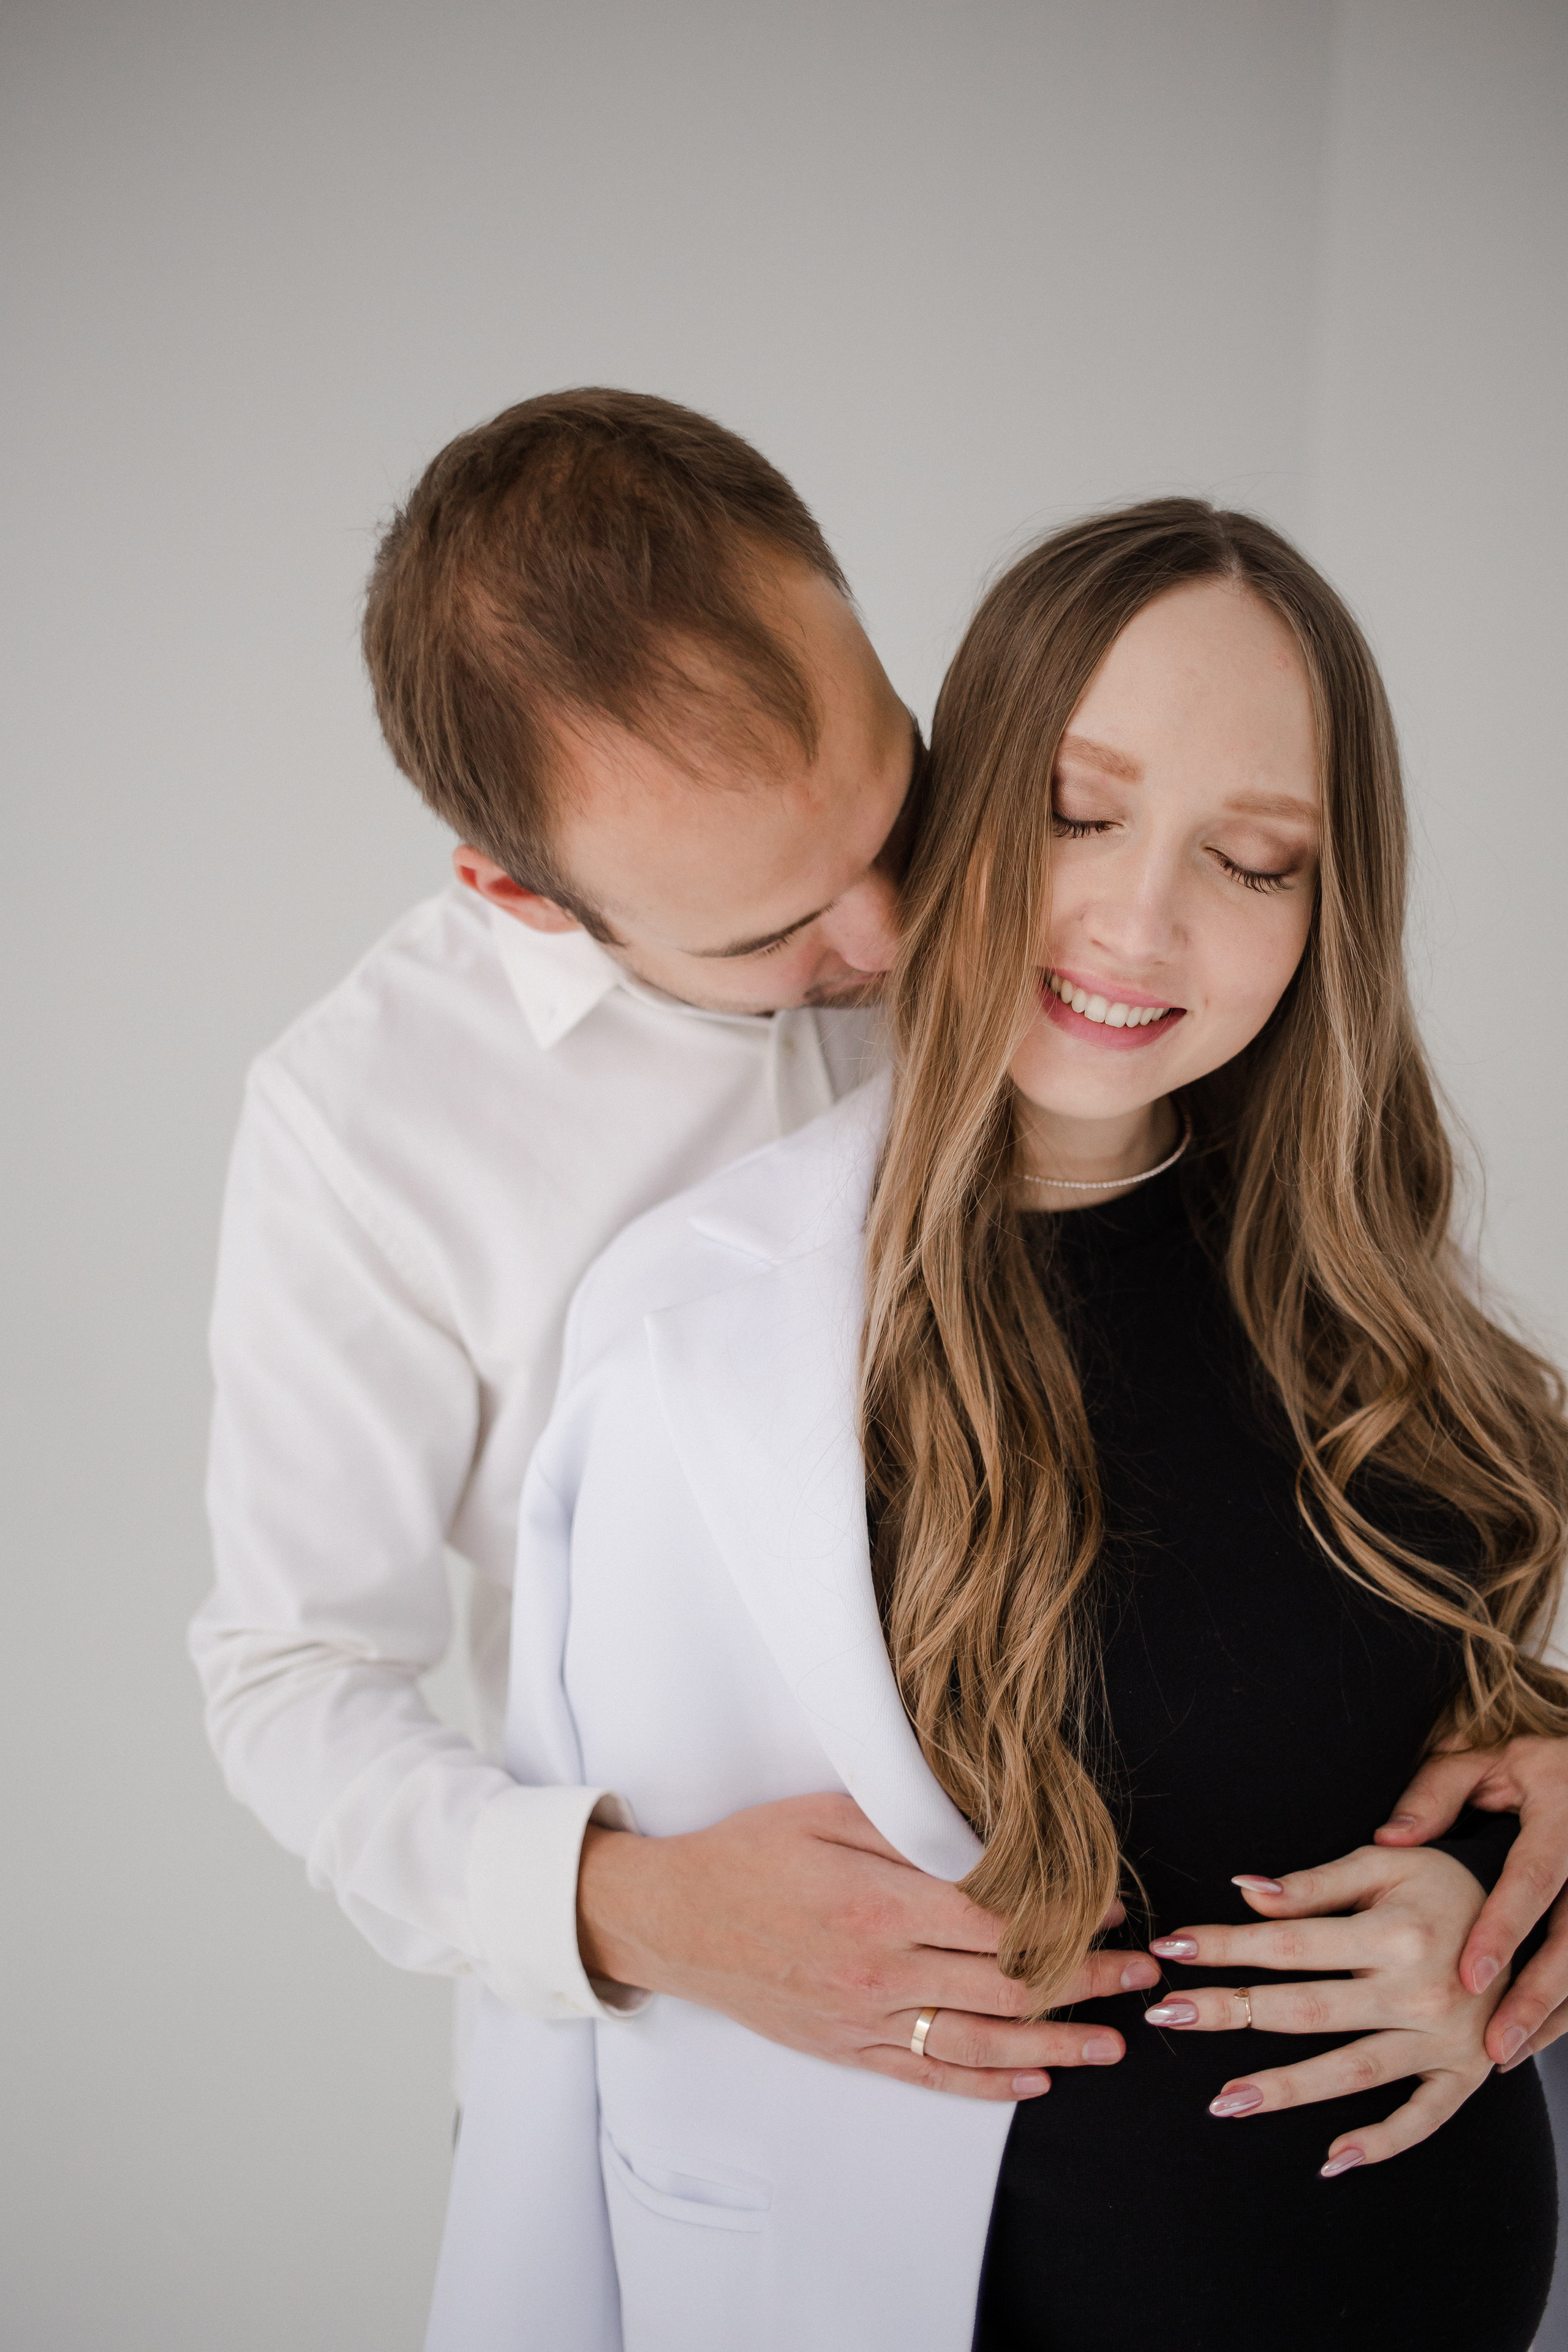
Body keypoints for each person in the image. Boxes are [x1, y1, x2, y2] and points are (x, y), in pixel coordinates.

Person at [192, 390, 1568, 2120]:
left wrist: (1526, 1768)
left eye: (899, 806)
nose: (899, 932)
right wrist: (633, 1907)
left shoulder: (1088, 943)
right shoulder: (366, 1124)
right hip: (747, 2073)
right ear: (518, 891)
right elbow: (294, 1675)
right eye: (777, 928)